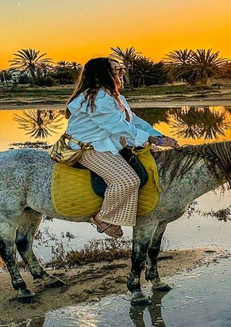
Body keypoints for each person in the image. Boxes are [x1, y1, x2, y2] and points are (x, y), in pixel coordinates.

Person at [64, 57, 178, 237]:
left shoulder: (114, 96)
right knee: (127, 180)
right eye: (116, 70)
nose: (121, 73)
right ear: (103, 74)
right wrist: (151, 139)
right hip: (89, 148)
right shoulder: (97, 98)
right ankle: (103, 218)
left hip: (107, 144)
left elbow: (133, 121)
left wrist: (157, 135)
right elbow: (117, 126)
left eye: (121, 70)